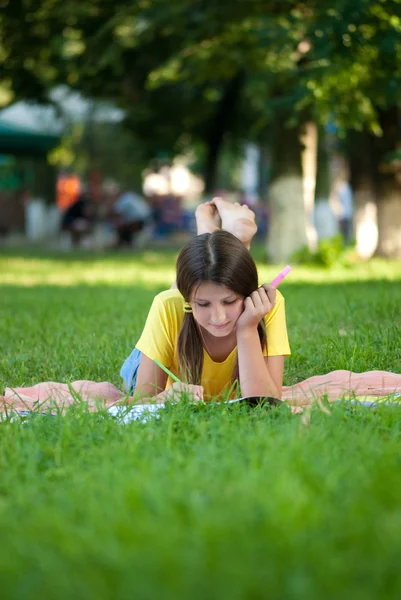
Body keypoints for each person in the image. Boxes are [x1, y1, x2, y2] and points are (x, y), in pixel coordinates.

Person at [120, 198, 290, 404]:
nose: (219, 317)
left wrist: (247, 329)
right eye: (203, 304)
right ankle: (219, 242)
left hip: (191, 303)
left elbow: (266, 404)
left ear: (247, 294)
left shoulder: (266, 305)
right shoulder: (167, 306)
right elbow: (141, 402)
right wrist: (166, 397)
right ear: (190, 301)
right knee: (191, 285)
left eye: (229, 302)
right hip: (170, 326)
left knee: (207, 275)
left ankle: (216, 243)